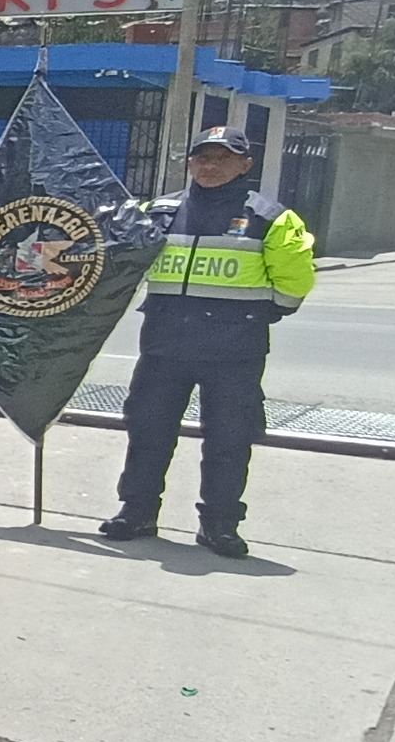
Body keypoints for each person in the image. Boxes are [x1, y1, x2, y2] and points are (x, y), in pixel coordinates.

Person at [96, 126, 318, 558]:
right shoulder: (158, 211)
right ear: (190, 162)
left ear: (245, 165)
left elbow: (294, 282)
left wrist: (258, 314)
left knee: (229, 441)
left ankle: (219, 526)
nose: (211, 167)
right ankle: (137, 512)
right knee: (147, 432)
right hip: (164, 346)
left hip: (233, 351)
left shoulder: (271, 218)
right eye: (203, 158)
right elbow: (118, 257)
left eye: (223, 158)